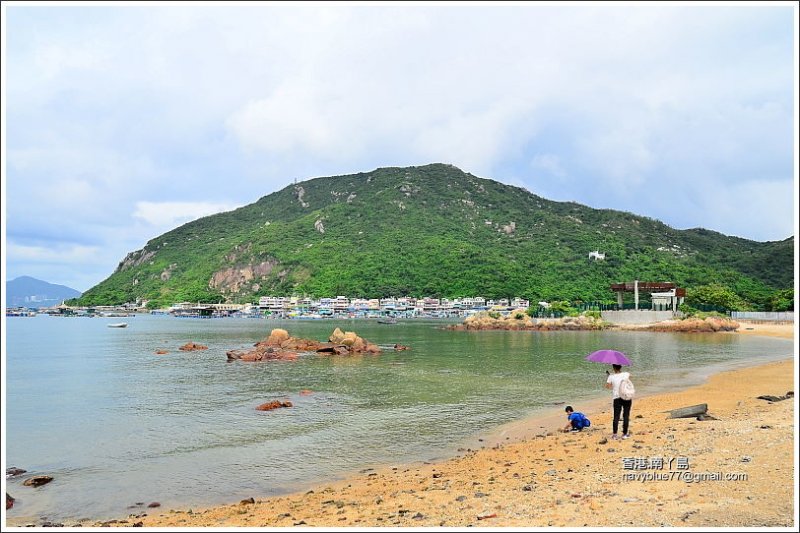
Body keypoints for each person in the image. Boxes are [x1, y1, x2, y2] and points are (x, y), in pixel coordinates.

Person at [605, 364, 632, 439]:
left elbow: (608, 386)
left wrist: (609, 377)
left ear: (613, 368)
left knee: (616, 416)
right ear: (621, 367)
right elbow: (630, 376)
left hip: (617, 398)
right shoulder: (626, 374)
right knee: (626, 415)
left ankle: (614, 434)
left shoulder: (611, 376)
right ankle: (624, 434)